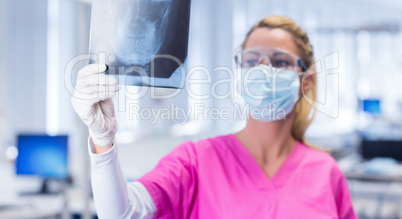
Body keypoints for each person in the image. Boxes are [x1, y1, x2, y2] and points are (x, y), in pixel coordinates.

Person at [71, 15, 357, 219]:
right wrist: (102, 139)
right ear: (240, 73)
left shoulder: (326, 173)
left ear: (305, 82)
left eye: (280, 62)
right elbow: (122, 214)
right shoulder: (197, 161)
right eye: (252, 61)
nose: (263, 71)